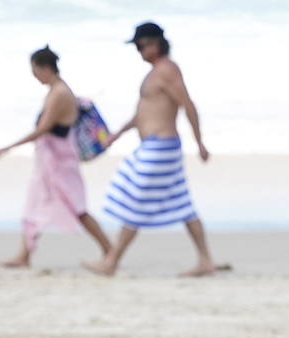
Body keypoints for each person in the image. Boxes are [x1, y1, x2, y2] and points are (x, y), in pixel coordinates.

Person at [84, 22, 217, 277]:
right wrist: (117, 135)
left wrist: (199, 142)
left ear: (155, 44)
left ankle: (111, 261)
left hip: (162, 145)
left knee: (136, 197)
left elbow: (188, 105)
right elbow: (142, 113)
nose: (138, 51)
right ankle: (205, 261)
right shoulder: (155, 72)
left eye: (140, 46)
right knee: (183, 203)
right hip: (154, 145)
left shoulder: (167, 70)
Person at [0, 46, 112, 269]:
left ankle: (109, 250)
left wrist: (9, 147)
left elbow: (44, 128)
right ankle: (24, 255)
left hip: (60, 161)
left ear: (46, 68)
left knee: (77, 208)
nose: (34, 75)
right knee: (35, 204)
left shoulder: (59, 93)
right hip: (51, 160)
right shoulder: (56, 90)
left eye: (35, 70)